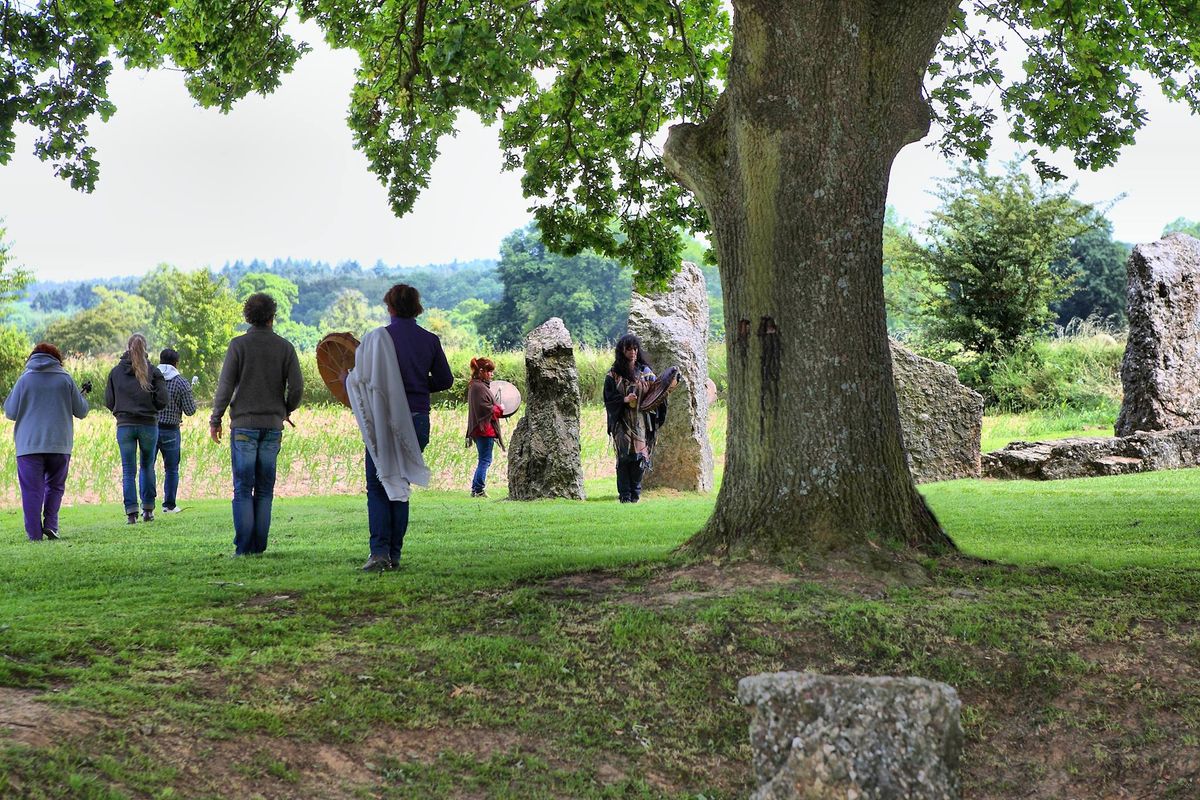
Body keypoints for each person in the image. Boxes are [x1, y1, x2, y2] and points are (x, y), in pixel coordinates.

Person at [346, 283, 453, 572]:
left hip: (384, 419)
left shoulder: (376, 339)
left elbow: (361, 381)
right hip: (417, 418)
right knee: (401, 483)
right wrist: (419, 387)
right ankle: (395, 554)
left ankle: (379, 553)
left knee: (379, 483)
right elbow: (445, 380)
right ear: (417, 307)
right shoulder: (429, 340)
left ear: (389, 307)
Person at [210, 293, 303, 556]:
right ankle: (259, 546)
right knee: (264, 488)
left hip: (243, 426)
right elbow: (297, 387)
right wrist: (285, 409)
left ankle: (243, 547)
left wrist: (215, 419)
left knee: (242, 487)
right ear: (272, 316)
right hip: (273, 425)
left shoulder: (238, 346)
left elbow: (225, 387)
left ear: (248, 316)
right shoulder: (285, 348)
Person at [4, 343, 89, 541]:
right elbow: (82, 411)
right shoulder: (65, 378)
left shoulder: (25, 379)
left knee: (32, 490)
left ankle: (34, 534)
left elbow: (10, 412)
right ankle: (51, 525)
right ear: (57, 358)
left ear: (32, 357)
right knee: (55, 486)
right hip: (59, 443)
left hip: (29, 445)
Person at [105, 333, 168, 524]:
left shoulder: (116, 372)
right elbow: (163, 400)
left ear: (128, 347)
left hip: (124, 425)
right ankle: (148, 509)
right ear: (145, 347)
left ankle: (131, 512)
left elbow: (109, 401)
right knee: (147, 466)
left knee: (128, 470)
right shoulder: (154, 372)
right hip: (148, 424)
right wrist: (152, 409)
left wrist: (120, 412)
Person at [603, 333, 668, 503]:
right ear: (622, 351)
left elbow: (658, 392)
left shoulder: (646, 373)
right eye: (629, 349)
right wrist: (624, 400)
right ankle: (625, 496)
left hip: (641, 422)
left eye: (635, 349)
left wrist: (667, 387)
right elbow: (608, 399)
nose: (632, 352)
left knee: (640, 459)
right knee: (624, 459)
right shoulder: (613, 375)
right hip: (621, 423)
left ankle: (636, 494)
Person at [155, 348, 197, 514]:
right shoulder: (181, 382)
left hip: (151, 428)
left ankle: (147, 506)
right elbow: (190, 410)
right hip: (171, 430)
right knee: (171, 469)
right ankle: (169, 505)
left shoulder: (151, 379)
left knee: (146, 466)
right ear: (176, 363)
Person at [464, 356, 504, 498]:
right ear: (481, 371)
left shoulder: (475, 385)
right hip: (484, 430)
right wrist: (500, 409)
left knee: (483, 459)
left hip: (479, 429)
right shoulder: (479, 387)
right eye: (489, 371)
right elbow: (486, 409)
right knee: (485, 460)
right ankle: (479, 489)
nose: (491, 374)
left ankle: (475, 489)